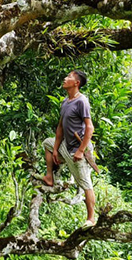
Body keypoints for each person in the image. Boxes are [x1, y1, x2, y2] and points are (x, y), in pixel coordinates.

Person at [41, 70, 97, 228]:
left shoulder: (82, 101)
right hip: (66, 145)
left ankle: (91, 219)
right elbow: (60, 127)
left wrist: (80, 151)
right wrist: (56, 149)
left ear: (76, 83)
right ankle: (49, 177)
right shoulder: (65, 101)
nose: (65, 79)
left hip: (78, 149)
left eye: (69, 77)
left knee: (85, 183)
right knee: (47, 143)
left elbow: (89, 128)